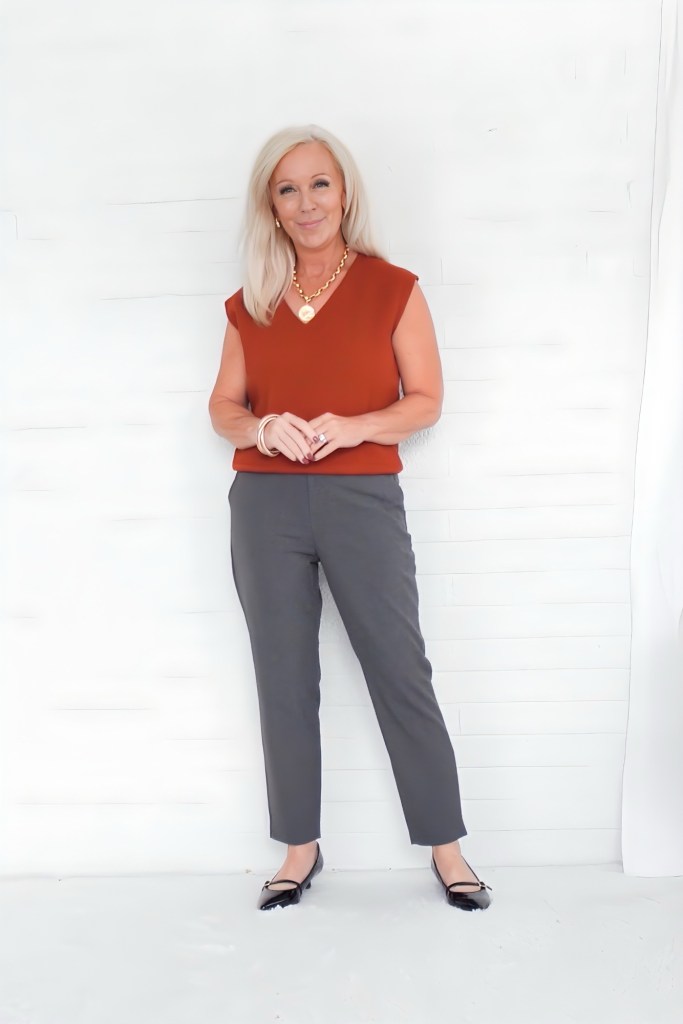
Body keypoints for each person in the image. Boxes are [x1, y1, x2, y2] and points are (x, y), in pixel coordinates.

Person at [208, 124, 492, 912]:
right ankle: (299, 848)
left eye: (319, 184)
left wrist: (356, 425)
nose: (306, 202)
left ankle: (447, 846)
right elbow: (223, 406)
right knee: (282, 675)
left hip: (361, 498)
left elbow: (425, 401)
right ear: (271, 205)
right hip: (264, 504)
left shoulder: (391, 289)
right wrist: (261, 428)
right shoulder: (250, 303)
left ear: (344, 193)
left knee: (399, 669)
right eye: (287, 189)